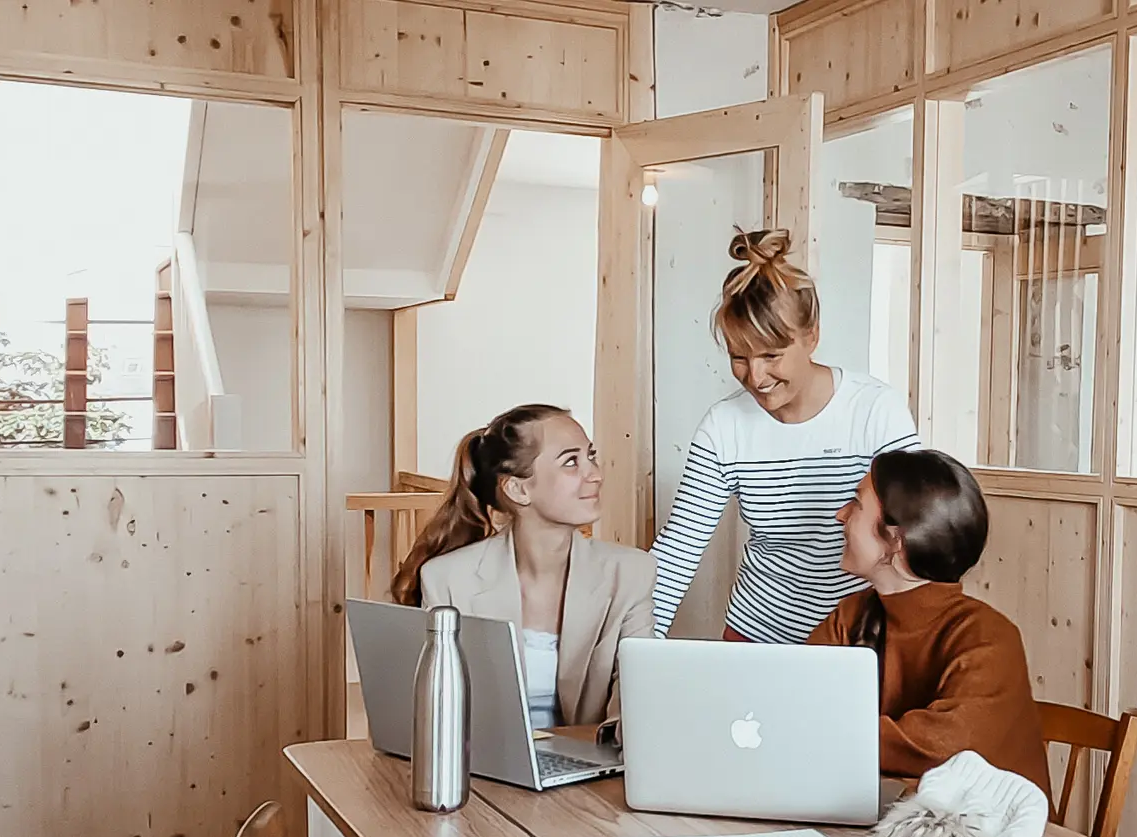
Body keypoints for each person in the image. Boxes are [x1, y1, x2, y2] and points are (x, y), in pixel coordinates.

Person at [650, 228, 920, 644]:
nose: (755, 377)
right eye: (739, 357)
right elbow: (678, 551)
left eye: (771, 355)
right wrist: (634, 649)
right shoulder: (723, 427)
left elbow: (916, 530)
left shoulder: (875, 411)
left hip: (860, 635)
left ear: (811, 336)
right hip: (755, 633)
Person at [389, 404, 655, 729]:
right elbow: (437, 710)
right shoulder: (446, 580)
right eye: (571, 461)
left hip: (589, 765)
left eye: (591, 456)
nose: (595, 473)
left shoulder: (630, 573)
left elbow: (637, 695)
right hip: (480, 766)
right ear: (519, 489)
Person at [807, 448, 1051, 797]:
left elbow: (941, 744)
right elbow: (797, 701)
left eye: (856, 505)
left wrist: (815, 732)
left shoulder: (990, 638)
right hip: (882, 819)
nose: (839, 514)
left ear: (895, 540)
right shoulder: (852, 614)